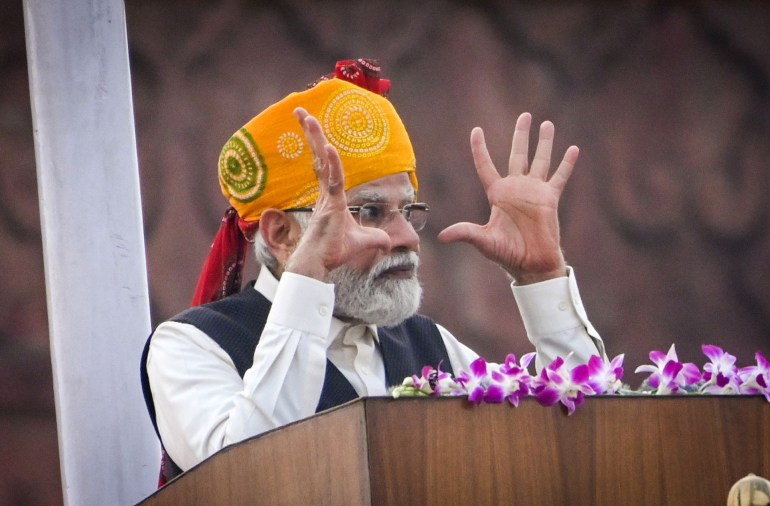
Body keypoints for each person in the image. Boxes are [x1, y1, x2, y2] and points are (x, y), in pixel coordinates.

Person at [140, 58, 604, 483]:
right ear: (281, 234)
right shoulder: (193, 346)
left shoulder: (430, 344)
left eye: (408, 209)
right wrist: (307, 285)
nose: (405, 238)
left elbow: (576, 452)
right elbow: (250, 481)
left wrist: (543, 279)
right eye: (369, 212)